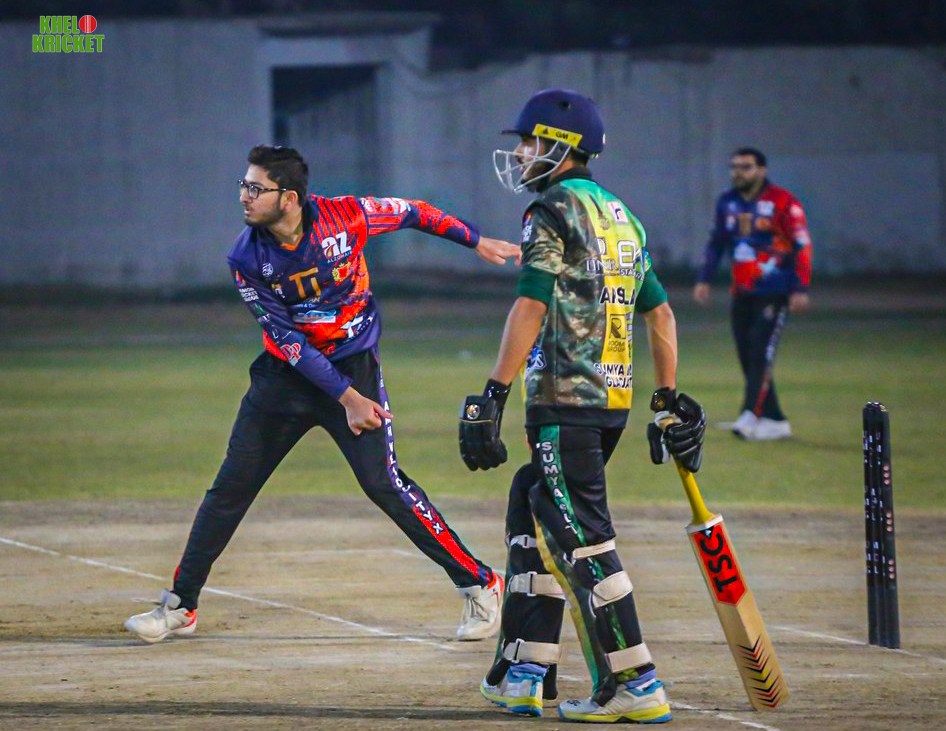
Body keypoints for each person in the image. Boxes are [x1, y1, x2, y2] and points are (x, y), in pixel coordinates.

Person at [125, 144, 521, 644]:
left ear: (288, 198)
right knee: (230, 489)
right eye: (244, 185)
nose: (244, 196)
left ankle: (481, 583)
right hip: (287, 379)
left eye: (255, 188)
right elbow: (287, 340)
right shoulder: (246, 256)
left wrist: (475, 240)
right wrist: (347, 399)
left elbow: (414, 212)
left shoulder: (348, 216)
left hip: (354, 367)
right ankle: (181, 605)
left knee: (384, 484)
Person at [458, 89, 705, 722]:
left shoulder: (551, 210)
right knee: (531, 499)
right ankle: (526, 669)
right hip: (609, 401)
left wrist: (493, 393)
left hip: (565, 400)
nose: (520, 153)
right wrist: (665, 399)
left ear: (562, 146)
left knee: (583, 539)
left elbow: (532, 300)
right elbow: (661, 313)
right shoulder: (621, 215)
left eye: (530, 141)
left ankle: (636, 682)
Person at [692, 148, 812, 440]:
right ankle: (774, 419)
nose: (738, 172)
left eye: (745, 167)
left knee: (760, 351)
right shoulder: (727, 202)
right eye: (734, 166)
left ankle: (750, 414)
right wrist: (705, 278)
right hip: (742, 291)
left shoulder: (783, 201)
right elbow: (717, 242)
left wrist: (799, 287)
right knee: (747, 354)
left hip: (774, 292)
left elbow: (801, 244)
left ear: (761, 170)